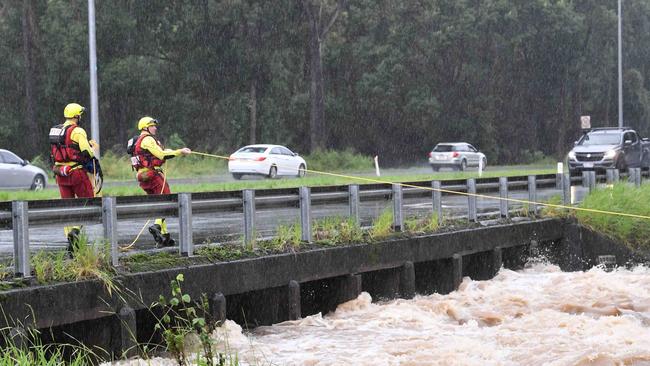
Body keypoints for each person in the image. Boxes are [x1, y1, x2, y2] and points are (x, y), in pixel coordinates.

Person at [127, 116, 191, 246]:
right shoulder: (148, 139)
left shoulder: (138, 140)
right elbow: (161, 155)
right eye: (152, 126)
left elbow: (158, 152)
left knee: (159, 204)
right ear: (146, 127)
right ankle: (156, 226)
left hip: (142, 177)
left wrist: (169, 151)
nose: (155, 128)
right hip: (152, 175)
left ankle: (164, 237)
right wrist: (180, 151)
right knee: (166, 201)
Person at [49, 102, 102, 254]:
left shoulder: (55, 130)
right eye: (80, 115)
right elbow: (86, 152)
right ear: (76, 116)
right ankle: (76, 230)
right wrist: (93, 149)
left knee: (68, 206)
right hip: (76, 172)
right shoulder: (78, 131)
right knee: (88, 202)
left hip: (60, 173)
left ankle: (70, 241)